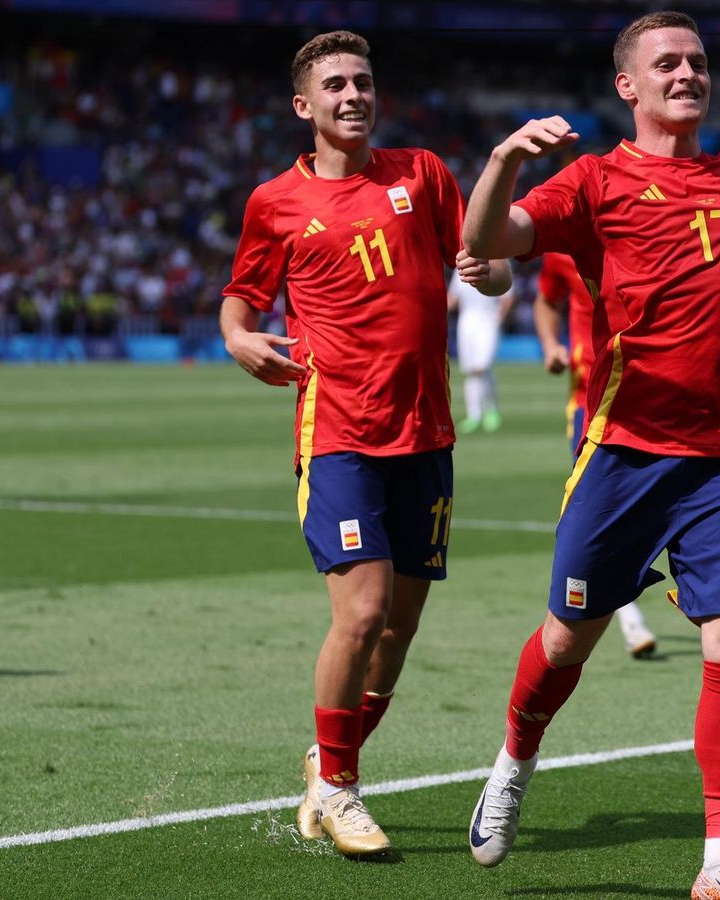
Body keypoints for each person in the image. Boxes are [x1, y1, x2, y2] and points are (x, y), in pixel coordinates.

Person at [462, 12, 720, 898]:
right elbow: (486, 242)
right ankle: (515, 760)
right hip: (625, 454)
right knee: (565, 640)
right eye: (667, 62)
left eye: (698, 61)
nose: (688, 74)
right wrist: (508, 156)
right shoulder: (592, 181)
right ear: (628, 84)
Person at [219, 30, 510, 858]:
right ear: (304, 106)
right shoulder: (274, 202)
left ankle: (326, 760)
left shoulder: (423, 174)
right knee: (364, 612)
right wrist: (239, 339)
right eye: (336, 85)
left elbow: (486, 257)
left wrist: (495, 275)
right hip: (339, 430)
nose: (354, 95)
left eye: (364, 82)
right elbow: (238, 306)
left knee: (399, 631)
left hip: (425, 433)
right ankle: (343, 789)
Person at [532, 252, 658, 660]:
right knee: (596, 507)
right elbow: (546, 299)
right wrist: (552, 345)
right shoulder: (561, 246)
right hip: (593, 398)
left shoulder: (642, 224)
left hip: (653, 393)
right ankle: (628, 615)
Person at [448, 263, 513, 433]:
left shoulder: (495, 262)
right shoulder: (459, 268)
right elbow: (452, 299)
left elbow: (508, 295)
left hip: (488, 322)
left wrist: (499, 317)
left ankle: (491, 410)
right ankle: (474, 415)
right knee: (471, 371)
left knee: (481, 367)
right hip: (466, 324)